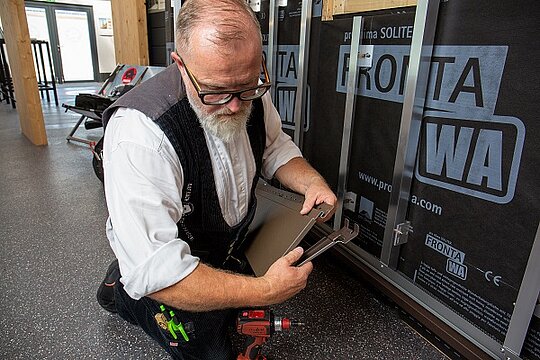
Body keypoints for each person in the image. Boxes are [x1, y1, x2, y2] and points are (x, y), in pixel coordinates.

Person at [96, 0, 337, 358]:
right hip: (172, 259)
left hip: (222, 242)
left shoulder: (244, 89)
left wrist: (311, 182)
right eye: (216, 92)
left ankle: (152, 260)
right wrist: (266, 291)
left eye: (248, 86)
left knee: (231, 305)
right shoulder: (139, 135)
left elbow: (275, 148)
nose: (236, 106)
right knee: (212, 350)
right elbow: (164, 272)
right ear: (181, 64)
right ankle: (123, 289)